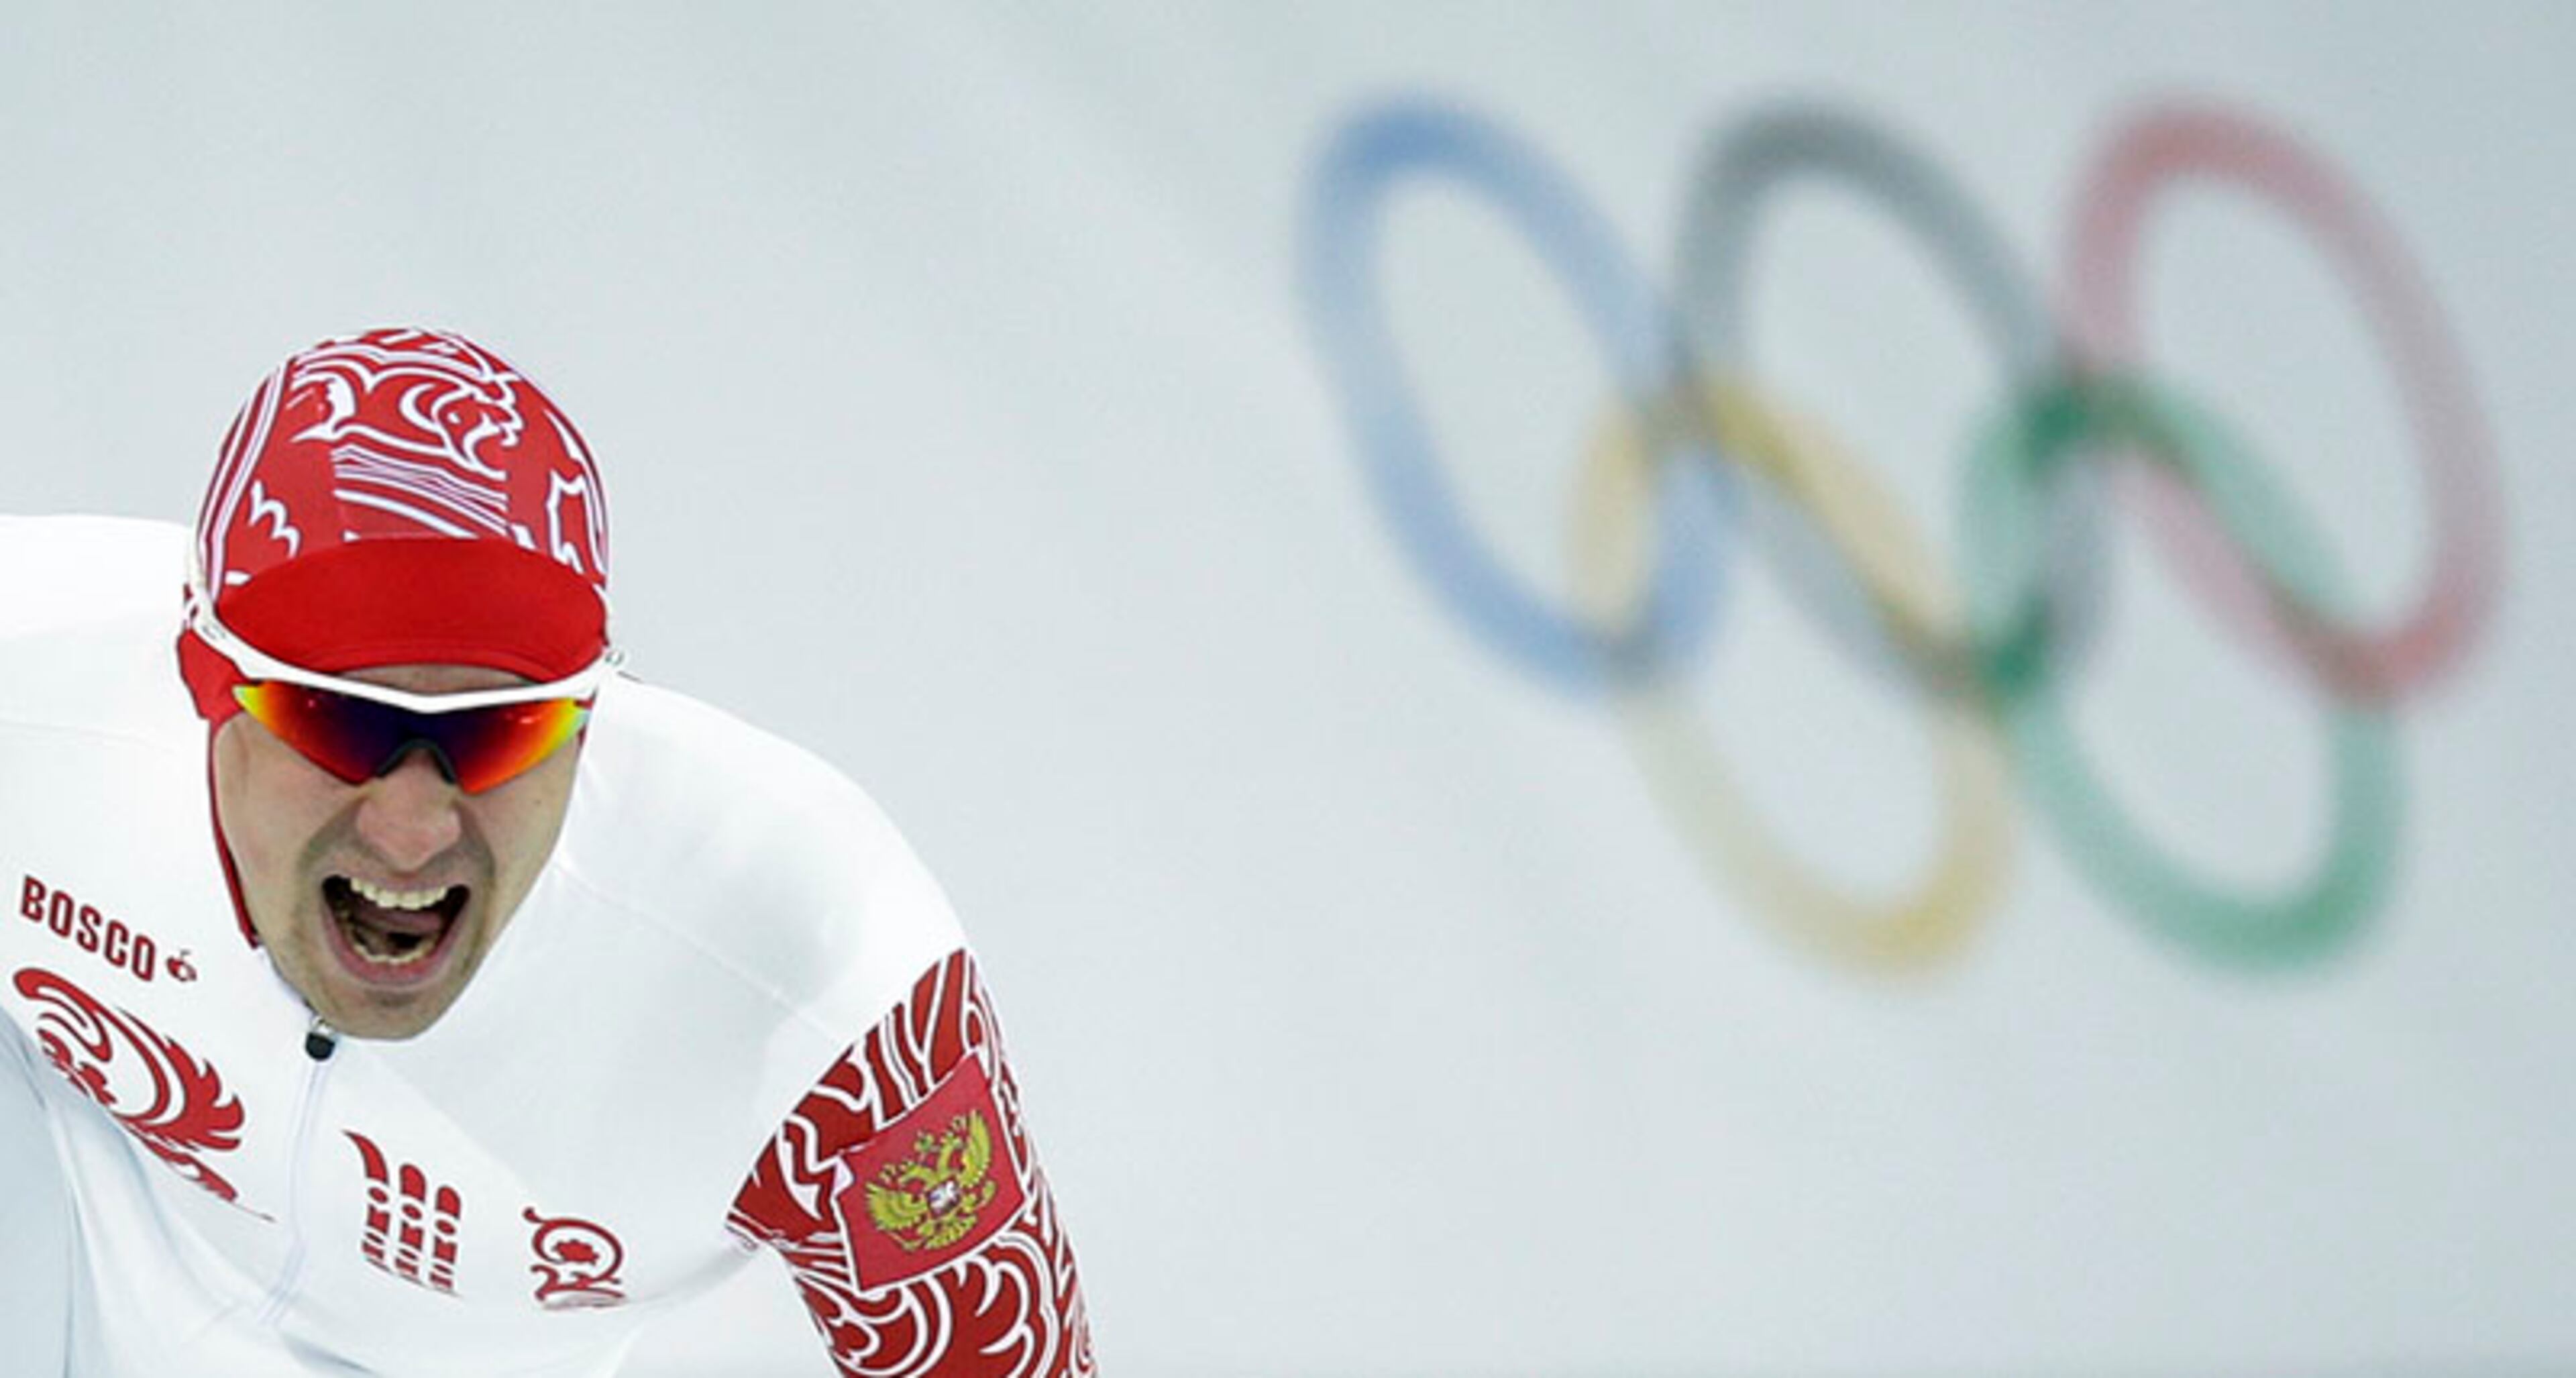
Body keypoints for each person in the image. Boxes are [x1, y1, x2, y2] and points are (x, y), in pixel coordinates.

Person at [0, 327, 1093, 1376]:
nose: (414, 828)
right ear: (206, 686)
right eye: (337, 720)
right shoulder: (31, 673)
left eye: (505, 729)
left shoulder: (817, 969)